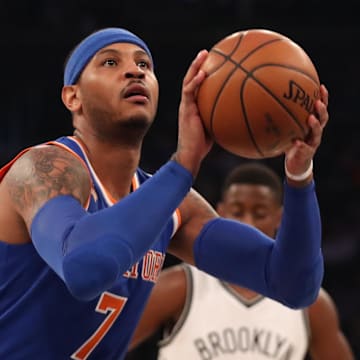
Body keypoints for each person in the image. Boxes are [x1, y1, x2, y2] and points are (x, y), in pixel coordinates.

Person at [0, 27, 329, 360]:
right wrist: (184, 163)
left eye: (144, 65)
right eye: (110, 62)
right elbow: (84, 269)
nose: (134, 71)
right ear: (73, 97)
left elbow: (293, 284)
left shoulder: (172, 203)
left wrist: (300, 176)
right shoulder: (41, 169)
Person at [127, 162, 355, 360]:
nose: (247, 222)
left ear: (279, 218)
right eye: (237, 212)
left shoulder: (312, 306)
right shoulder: (182, 286)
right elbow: (105, 341)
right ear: (221, 213)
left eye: (259, 213)